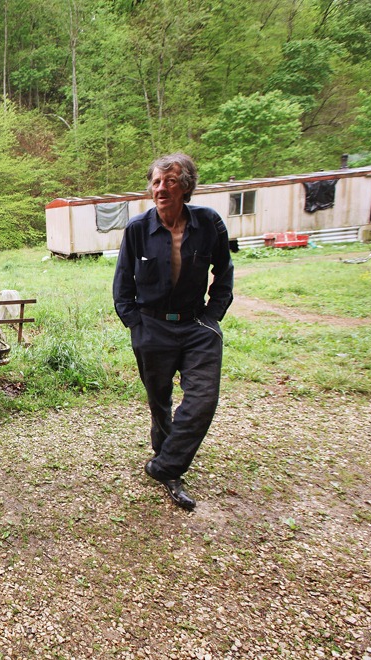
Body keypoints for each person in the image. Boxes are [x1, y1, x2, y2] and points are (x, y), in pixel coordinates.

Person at [112, 153, 234, 511]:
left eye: (170, 181)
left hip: (196, 325)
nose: (161, 188)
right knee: (159, 401)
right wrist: (136, 326)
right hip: (152, 327)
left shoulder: (209, 223)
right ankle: (168, 464)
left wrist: (213, 316)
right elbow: (122, 285)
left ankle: (165, 466)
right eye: (156, 182)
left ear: (186, 187)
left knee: (202, 400)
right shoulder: (137, 229)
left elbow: (224, 272)